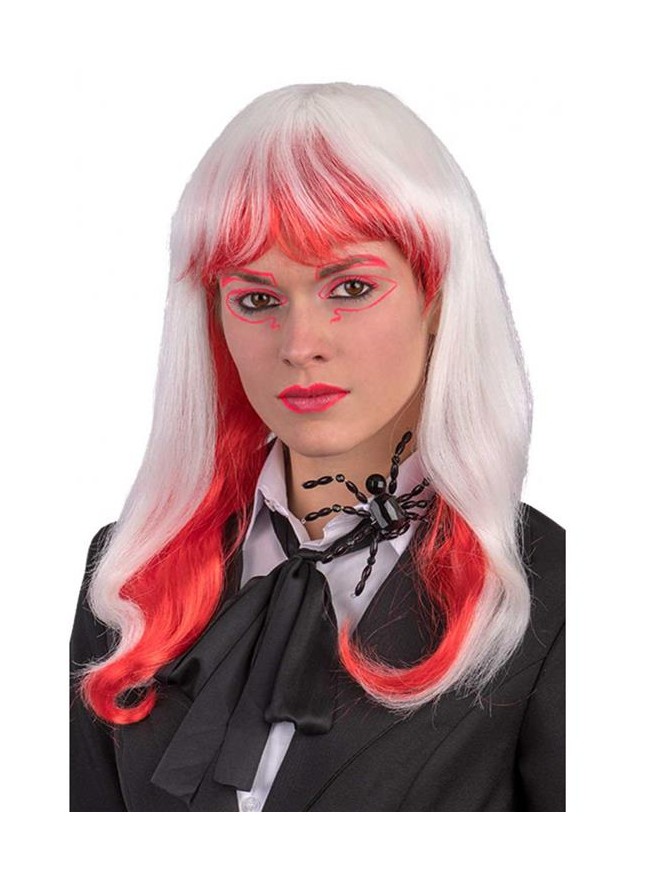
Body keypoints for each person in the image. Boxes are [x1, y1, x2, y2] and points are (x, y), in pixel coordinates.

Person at [70, 82, 565, 812]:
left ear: (436, 298)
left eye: (352, 287)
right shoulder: (130, 571)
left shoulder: (553, 590)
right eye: (257, 299)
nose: (301, 345)